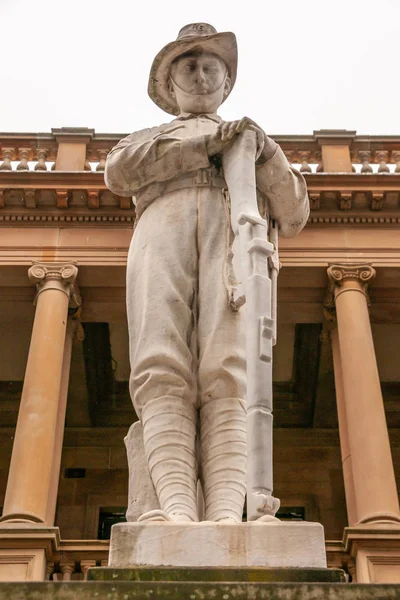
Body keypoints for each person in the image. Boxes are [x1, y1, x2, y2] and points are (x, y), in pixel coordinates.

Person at [105, 22, 309, 524]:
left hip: (234, 234)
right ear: (169, 86)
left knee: (230, 370)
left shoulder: (254, 144)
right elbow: (118, 172)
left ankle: (224, 513)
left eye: (210, 67)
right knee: (161, 364)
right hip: (164, 225)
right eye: (188, 67)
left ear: (226, 82)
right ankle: (174, 508)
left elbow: (296, 210)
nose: (200, 75)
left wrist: (264, 155)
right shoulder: (148, 139)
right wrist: (206, 147)